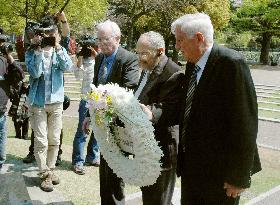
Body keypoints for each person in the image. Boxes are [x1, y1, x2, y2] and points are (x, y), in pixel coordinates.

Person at [171, 13, 261, 205]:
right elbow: (188, 109)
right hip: (192, 170)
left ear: (199, 38)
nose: (177, 47)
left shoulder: (231, 64)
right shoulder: (192, 65)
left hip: (220, 176)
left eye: (180, 41)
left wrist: (239, 177)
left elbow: (245, 122)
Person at [82, 20, 139, 205]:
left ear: (118, 38)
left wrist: (105, 106)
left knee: (116, 174)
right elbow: (96, 88)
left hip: (119, 124)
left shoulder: (129, 59)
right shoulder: (99, 57)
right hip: (101, 124)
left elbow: (128, 91)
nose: (101, 44)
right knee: (104, 173)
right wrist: (89, 116)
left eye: (105, 40)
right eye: (98, 40)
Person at [135, 31, 182, 205]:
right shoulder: (148, 67)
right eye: (138, 52)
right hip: (145, 145)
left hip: (162, 147)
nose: (140, 58)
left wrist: (150, 112)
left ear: (160, 51)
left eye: (144, 53)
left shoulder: (173, 72)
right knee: (149, 195)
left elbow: (170, 108)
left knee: (159, 199)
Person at [25, 21, 72, 192]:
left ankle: (51, 170)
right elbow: (35, 73)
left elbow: (68, 66)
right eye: (44, 34)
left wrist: (58, 47)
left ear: (56, 34)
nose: (48, 37)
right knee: (41, 140)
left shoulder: (59, 51)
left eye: (51, 33)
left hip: (57, 102)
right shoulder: (31, 52)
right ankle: (44, 174)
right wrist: (38, 51)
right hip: (38, 103)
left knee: (54, 140)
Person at [72, 35, 99, 175]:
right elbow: (77, 76)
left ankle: (92, 157)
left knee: (98, 131)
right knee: (82, 131)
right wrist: (80, 57)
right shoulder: (82, 62)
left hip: (99, 100)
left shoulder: (100, 60)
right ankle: (78, 161)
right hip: (85, 100)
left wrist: (97, 56)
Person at [0, 31, 24, 170]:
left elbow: (20, 75)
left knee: (2, 136)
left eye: (3, 43)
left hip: (1, 109)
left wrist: (10, 58)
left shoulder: (6, 62)